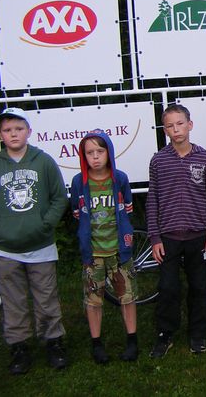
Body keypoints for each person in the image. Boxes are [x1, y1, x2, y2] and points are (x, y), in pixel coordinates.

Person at [0, 107, 69, 374]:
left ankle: (53, 343)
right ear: (0, 134)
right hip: (5, 248)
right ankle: (19, 347)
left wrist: (45, 224)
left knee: (46, 297)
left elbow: (59, 197)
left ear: (29, 131)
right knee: (12, 300)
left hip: (41, 245)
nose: (13, 134)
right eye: (7, 130)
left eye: (18, 128)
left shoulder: (43, 161)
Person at [147, 104, 206, 358]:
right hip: (168, 237)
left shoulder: (204, 158)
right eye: (170, 126)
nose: (176, 129)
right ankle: (165, 334)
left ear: (190, 125)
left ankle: (198, 334)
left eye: (180, 123)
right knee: (168, 288)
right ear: (164, 130)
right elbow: (153, 200)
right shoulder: (158, 160)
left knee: (199, 287)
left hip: (198, 236)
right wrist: (154, 237)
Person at [70, 130, 138, 363]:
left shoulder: (120, 178)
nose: (95, 156)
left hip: (119, 251)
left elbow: (127, 209)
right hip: (93, 253)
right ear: (84, 156)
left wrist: (125, 239)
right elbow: (77, 213)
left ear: (109, 153)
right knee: (93, 299)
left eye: (100, 151)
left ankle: (132, 340)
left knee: (127, 297)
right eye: (90, 153)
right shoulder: (79, 182)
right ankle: (96, 343)